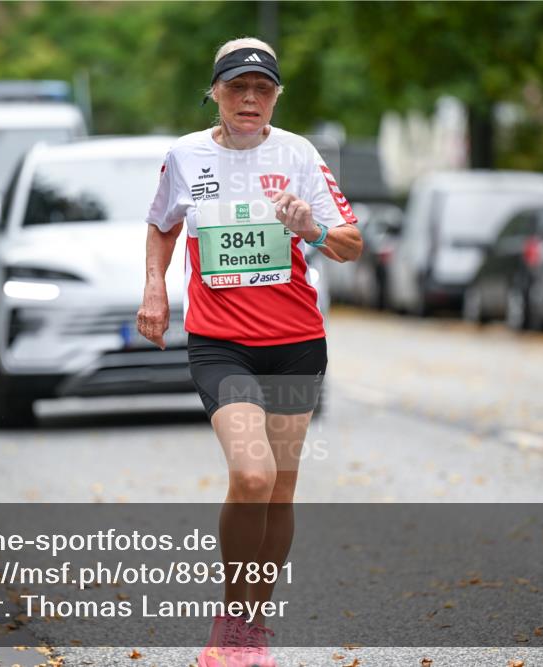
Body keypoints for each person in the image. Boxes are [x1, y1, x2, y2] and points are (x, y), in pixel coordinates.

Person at [138, 37, 363, 667]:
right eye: (237, 86)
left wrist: (309, 228)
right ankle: (232, 621)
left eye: (262, 89)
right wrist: (156, 287)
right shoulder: (184, 156)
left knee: (281, 491)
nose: (249, 99)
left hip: (295, 344)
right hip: (221, 345)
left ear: (276, 97)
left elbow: (350, 243)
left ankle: (250, 626)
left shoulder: (299, 154)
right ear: (214, 91)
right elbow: (161, 224)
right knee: (253, 475)